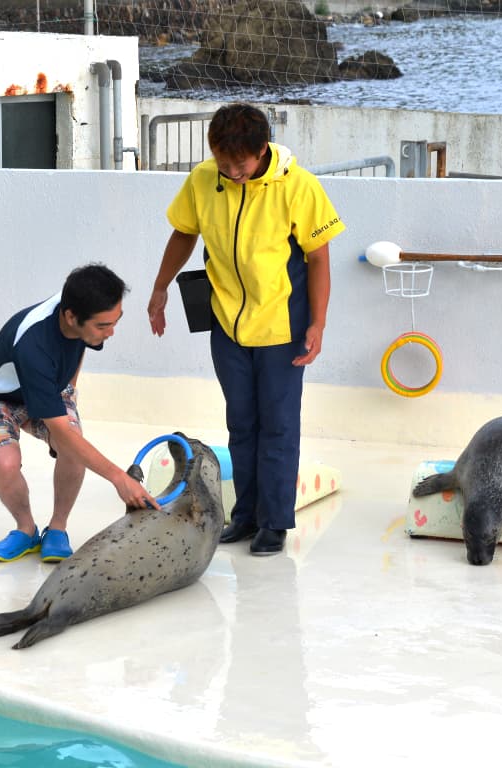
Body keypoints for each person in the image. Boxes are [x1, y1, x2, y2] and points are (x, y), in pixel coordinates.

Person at [147, 103, 345, 556]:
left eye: (240, 164)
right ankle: (246, 515)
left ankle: (274, 522)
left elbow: (318, 259)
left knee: (277, 426)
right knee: (241, 423)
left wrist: (318, 323)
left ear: (262, 151)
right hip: (227, 323)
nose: (231, 172)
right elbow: (184, 233)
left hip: (282, 327)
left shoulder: (298, 187)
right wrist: (160, 290)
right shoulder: (203, 179)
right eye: (223, 162)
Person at [0, 263, 158, 564]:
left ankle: (57, 528)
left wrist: (69, 392)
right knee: (7, 461)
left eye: (116, 321)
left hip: (49, 389)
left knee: (72, 443)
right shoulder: (34, 345)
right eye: (104, 326)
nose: (112, 331)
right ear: (70, 316)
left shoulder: (81, 307)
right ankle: (26, 530)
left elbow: (80, 347)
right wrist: (119, 478)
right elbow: (62, 436)